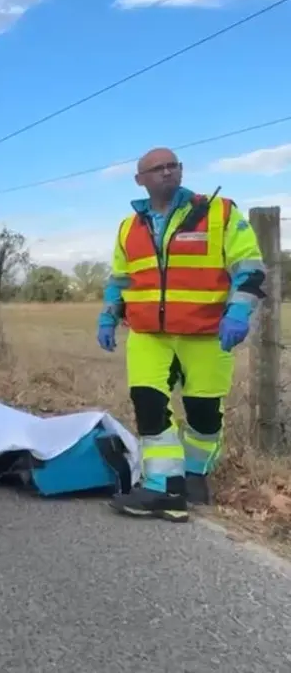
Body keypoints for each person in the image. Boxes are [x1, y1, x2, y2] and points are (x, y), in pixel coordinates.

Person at [98, 147, 265, 522]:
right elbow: (120, 279)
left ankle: (195, 476)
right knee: (149, 404)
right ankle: (163, 488)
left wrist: (239, 310)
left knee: (204, 414)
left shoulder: (219, 213)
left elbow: (249, 267)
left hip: (206, 333)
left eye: (173, 165)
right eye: (157, 168)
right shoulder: (129, 227)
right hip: (148, 335)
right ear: (140, 179)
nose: (167, 172)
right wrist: (108, 317)